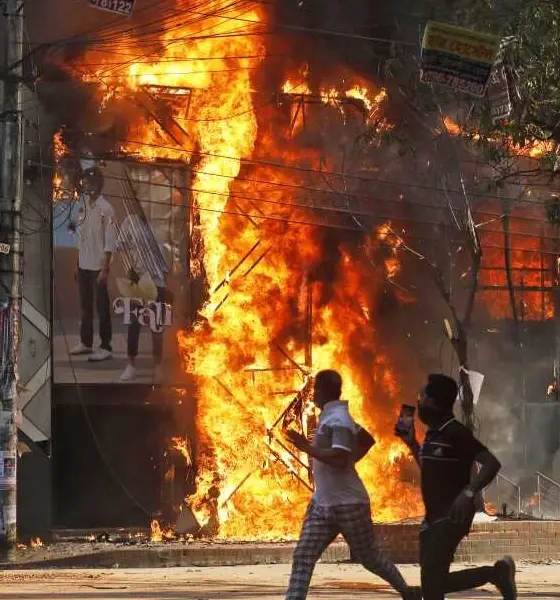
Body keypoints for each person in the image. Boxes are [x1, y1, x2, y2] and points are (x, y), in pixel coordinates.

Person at [284, 369, 420, 600]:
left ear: (325, 391)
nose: (312, 393)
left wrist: (309, 449)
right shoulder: (332, 415)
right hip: (323, 504)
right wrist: (351, 458)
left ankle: (407, 591)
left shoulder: (338, 420)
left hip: (349, 504)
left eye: (316, 388)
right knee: (303, 556)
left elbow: (338, 459)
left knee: (369, 557)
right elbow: (365, 439)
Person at [395, 373, 517, 600]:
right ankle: (498, 573)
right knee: (434, 583)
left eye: (422, 397)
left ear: (435, 402)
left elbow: (491, 463)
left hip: (452, 515)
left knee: (431, 581)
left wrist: (468, 492)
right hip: (433, 517)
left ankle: (498, 574)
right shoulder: (433, 434)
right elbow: (431, 469)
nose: (418, 402)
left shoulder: (456, 432)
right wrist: (412, 443)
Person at [115, 212, 171, 382]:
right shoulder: (130, 221)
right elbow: (120, 247)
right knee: (133, 325)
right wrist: (129, 268)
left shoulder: (161, 219)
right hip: (138, 281)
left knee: (157, 327)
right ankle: (131, 365)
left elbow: (170, 252)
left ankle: (158, 366)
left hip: (158, 281)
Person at [69, 167, 115, 362]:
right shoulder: (84, 207)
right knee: (85, 307)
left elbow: (110, 241)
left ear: (97, 184)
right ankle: (86, 343)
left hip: (98, 268)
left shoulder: (106, 209)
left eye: (87, 183)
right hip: (84, 265)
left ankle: (106, 347)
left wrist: (105, 269)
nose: (84, 186)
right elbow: (82, 240)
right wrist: (77, 264)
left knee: (102, 309)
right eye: (84, 183)